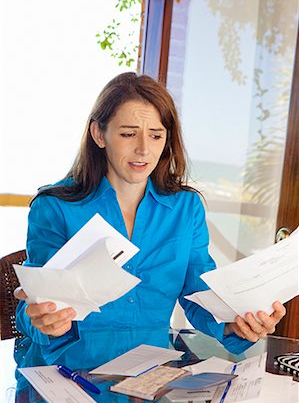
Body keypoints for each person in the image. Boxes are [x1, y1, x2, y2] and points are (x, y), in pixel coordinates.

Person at [14, 72, 285, 366]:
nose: (144, 149)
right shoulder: (56, 206)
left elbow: (199, 292)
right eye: (128, 134)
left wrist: (235, 323)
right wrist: (42, 320)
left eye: (156, 135)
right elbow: (33, 304)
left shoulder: (186, 207)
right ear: (98, 134)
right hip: (69, 370)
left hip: (152, 372)